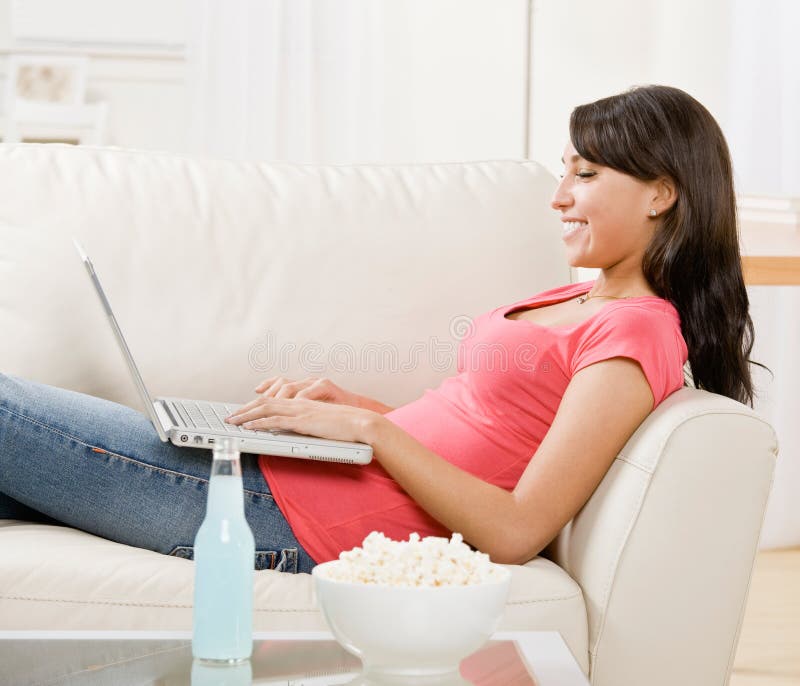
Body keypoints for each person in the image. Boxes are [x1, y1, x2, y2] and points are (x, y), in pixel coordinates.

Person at [0, 85, 764, 575]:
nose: (560, 196)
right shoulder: (574, 301)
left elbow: (515, 528)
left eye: (587, 175)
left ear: (663, 192)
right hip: (289, 477)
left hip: (287, 518)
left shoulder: (637, 333)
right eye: (563, 172)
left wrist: (364, 426)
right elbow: (483, 433)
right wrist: (352, 408)